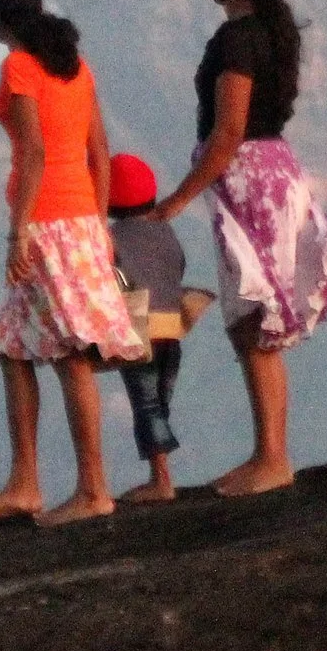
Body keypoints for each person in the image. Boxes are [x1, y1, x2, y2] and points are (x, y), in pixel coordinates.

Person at [148, 0, 327, 497]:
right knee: (255, 322)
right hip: (269, 173)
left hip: (249, 180)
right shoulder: (268, 31)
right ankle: (269, 453)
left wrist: (175, 201)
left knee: (253, 321)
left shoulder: (239, 39)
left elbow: (227, 133)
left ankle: (272, 456)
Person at [0, 0, 147, 528]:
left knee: (69, 355)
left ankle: (92, 489)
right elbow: (99, 152)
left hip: (44, 224)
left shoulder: (20, 66)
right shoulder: (75, 67)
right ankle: (26, 483)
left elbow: (34, 153)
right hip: (80, 221)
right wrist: (97, 225)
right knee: (14, 347)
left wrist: (18, 231)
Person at [106, 152, 213, 504]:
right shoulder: (165, 231)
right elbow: (178, 267)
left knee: (146, 404)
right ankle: (162, 473)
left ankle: (160, 479)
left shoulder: (110, 238)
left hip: (140, 330)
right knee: (161, 402)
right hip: (173, 328)